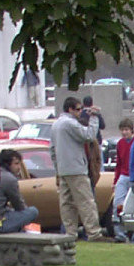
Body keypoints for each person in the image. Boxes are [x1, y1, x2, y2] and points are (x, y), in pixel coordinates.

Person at [51, 97, 111, 240]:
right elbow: (89, 135)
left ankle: (69, 233)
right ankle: (94, 233)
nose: (80, 113)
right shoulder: (70, 123)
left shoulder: (56, 125)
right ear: (70, 109)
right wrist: (94, 117)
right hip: (76, 169)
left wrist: (57, 169)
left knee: (66, 204)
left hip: (63, 169)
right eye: (78, 109)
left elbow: (52, 150)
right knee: (86, 201)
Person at [0, 150, 39, 233]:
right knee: (33, 211)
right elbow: (19, 206)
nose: (19, 167)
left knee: (12, 213)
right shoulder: (9, 179)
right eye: (16, 163)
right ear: (7, 164)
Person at [112, 118, 134, 241]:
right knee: (117, 204)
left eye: (126, 130)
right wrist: (115, 181)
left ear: (131, 130)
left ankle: (132, 232)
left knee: (132, 206)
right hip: (123, 175)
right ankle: (119, 234)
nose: (124, 133)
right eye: (122, 130)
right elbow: (118, 164)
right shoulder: (120, 143)